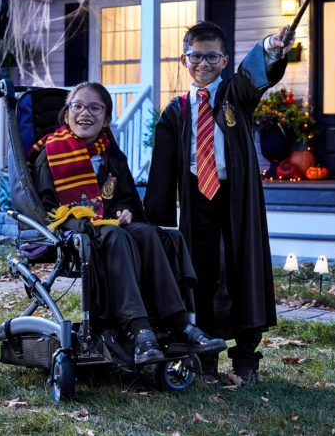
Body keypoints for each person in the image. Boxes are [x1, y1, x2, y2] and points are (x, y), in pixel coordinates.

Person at [30, 81, 227, 365]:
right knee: (114, 234)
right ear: (66, 115)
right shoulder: (50, 153)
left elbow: (126, 197)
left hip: (109, 227)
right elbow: (47, 208)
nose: (86, 113)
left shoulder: (111, 154)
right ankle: (139, 329)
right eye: (78, 106)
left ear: (106, 118)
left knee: (151, 235)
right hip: (71, 226)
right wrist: (89, 222)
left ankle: (180, 322)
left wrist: (125, 211)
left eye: (95, 108)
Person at [144, 21, 294, 383]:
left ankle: (245, 359)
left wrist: (272, 47)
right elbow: (161, 176)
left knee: (243, 271)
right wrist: (153, 226)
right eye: (196, 56)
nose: (203, 63)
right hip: (196, 199)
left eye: (212, 56)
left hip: (236, 197)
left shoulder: (236, 94)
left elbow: (257, 74)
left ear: (224, 60)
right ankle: (205, 358)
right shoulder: (175, 111)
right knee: (201, 275)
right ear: (184, 59)